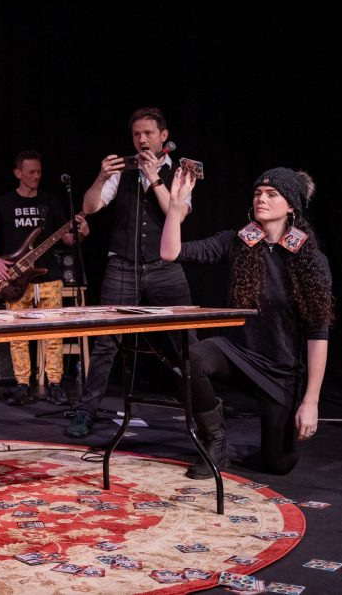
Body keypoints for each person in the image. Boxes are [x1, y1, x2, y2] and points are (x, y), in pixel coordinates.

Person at [161, 167, 331, 477]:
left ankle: (269, 441)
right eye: (257, 193)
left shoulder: (309, 259)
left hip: (279, 370)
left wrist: (311, 401)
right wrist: (175, 206)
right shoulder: (237, 242)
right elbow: (171, 252)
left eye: (271, 194)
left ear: (291, 205)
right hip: (237, 355)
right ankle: (215, 440)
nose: (261, 199)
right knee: (192, 358)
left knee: (279, 464)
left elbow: (318, 332)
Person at [65, 107, 194, 439]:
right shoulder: (123, 171)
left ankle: (202, 410)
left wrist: (154, 177)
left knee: (186, 342)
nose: (142, 140)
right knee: (106, 341)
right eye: (136, 134)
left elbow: (175, 216)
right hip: (122, 265)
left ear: (163, 135)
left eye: (148, 133)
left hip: (165, 267)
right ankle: (86, 409)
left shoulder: (181, 172)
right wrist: (101, 176)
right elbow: (90, 208)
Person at [0, 150, 89, 406]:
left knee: (54, 335)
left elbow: (68, 239)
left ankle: (56, 385)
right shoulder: (4, 202)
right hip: (15, 280)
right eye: (31, 172)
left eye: (39, 172)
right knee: (17, 335)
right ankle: (21, 386)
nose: (36, 176)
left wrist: (82, 233)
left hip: (49, 277)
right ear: (18, 173)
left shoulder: (50, 202)